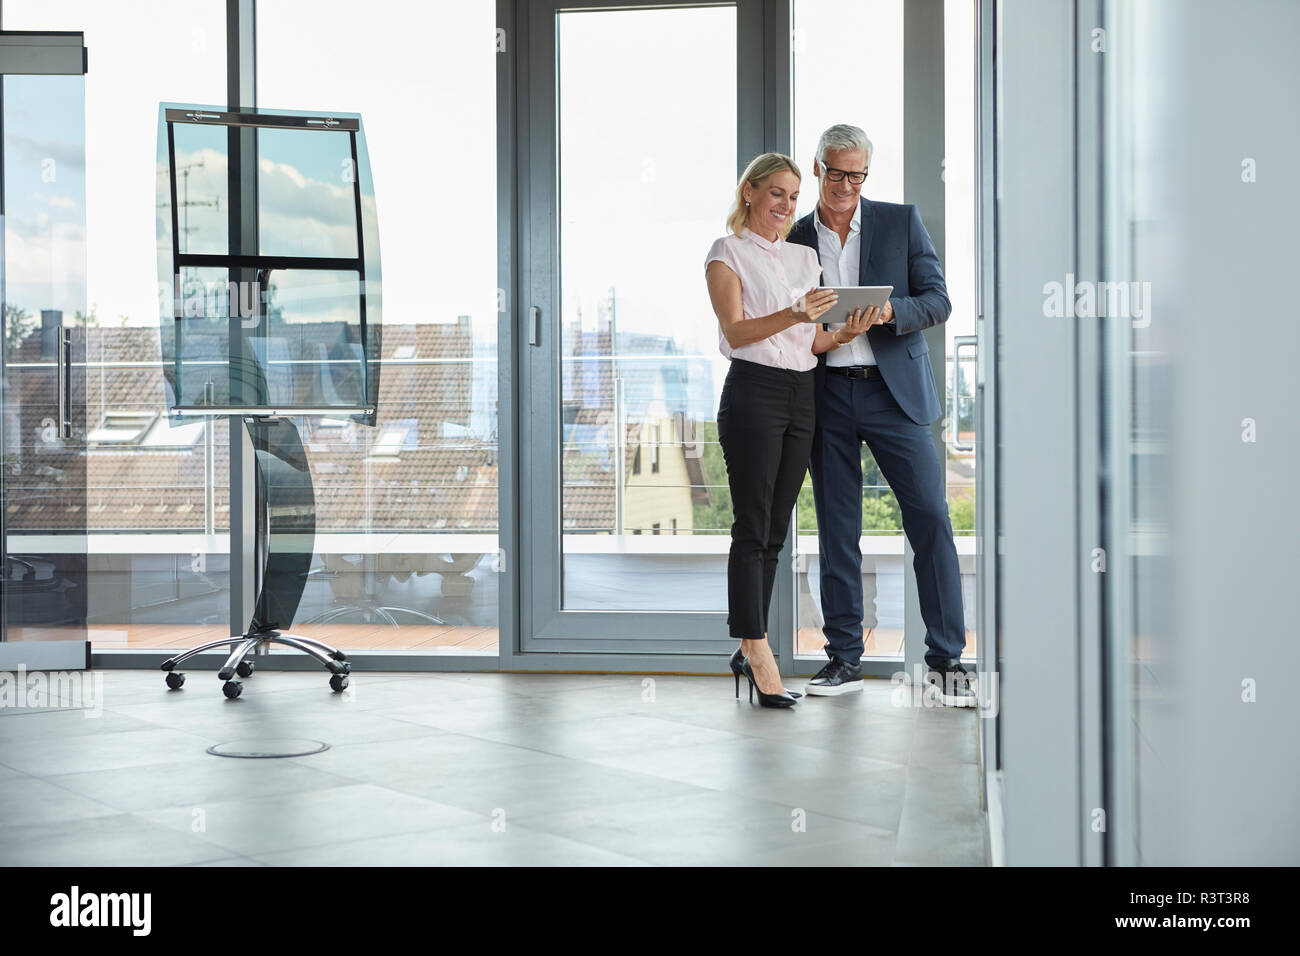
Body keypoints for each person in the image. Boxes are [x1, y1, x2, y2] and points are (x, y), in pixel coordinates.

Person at [786, 124, 974, 705]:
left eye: (858, 174)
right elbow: (787, 322)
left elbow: (939, 300)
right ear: (816, 168)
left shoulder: (900, 220)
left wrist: (891, 309)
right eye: (837, 172)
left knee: (931, 522)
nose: (847, 185)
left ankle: (945, 661)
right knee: (838, 530)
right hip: (826, 394)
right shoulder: (793, 238)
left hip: (897, 395)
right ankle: (843, 659)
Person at [705, 152, 875, 708]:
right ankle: (756, 649)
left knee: (776, 529)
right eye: (776, 193)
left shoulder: (804, 258)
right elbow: (737, 329)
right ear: (750, 192)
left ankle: (750, 644)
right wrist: (798, 314)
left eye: (794, 196)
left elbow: (812, 341)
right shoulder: (724, 253)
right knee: (752, 525)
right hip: (753, 391)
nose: (786, 205)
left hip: (803, 393)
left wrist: (846, 331)